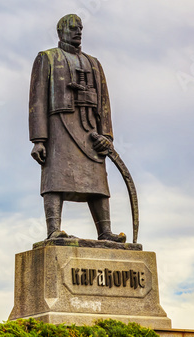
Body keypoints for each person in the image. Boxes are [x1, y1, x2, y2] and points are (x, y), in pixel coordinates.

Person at [28, 14, 126, 243]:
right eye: (73, 27)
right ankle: (54, 229)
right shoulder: (48, 58)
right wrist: (38, 140)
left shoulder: (94, 63)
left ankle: (105, 231)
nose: (78, 31)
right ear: (61, 31)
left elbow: (104, 103)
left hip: (90, 131)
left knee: (98, 181)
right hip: (59, 129)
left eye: (80, 28)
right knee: (55, 178)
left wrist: (107, 136)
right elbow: (37, 101)